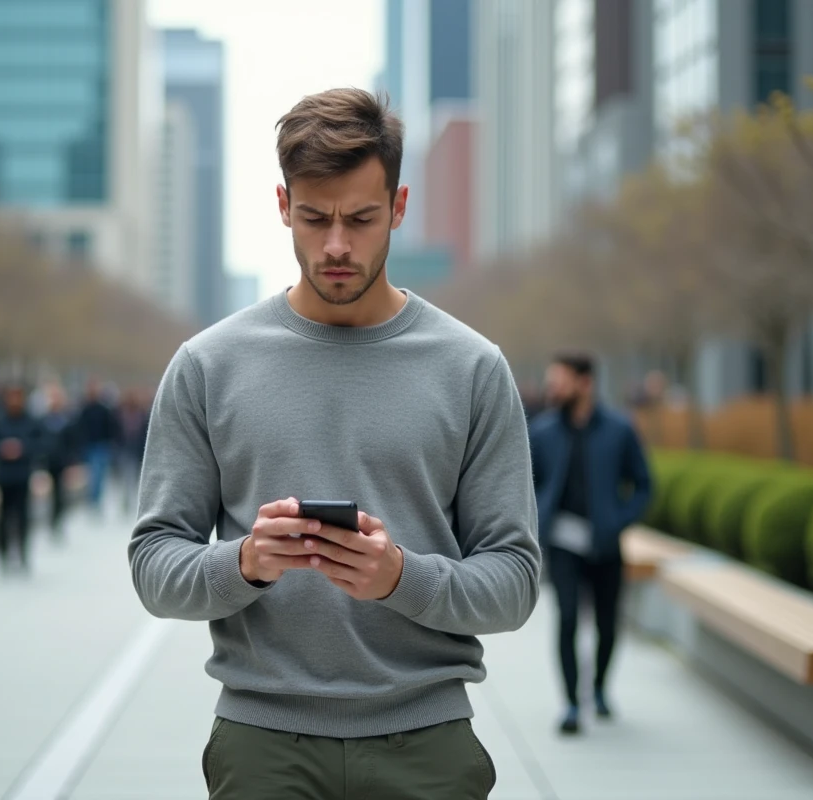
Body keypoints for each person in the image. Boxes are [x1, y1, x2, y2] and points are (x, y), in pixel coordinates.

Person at [129, 88, 541, 799]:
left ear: (400, 207)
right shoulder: (208, 364)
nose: (337, 245)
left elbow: (514, 582)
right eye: (315, 218)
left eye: (361, 218)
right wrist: (248, 562)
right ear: (284, 205)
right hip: (262, 746)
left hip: (428, 746)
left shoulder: (472, 368)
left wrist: (401, 577)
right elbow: (153, 563)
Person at [528, 353, 652, 736]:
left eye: (560, 381)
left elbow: (643, 485)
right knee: (566, 619)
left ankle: (598, 689)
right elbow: (525, 483)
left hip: (605, 544)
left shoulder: (619, 429)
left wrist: (618, 521)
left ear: (585, 383)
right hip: (562, 544)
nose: (553, 389)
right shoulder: (543, 431)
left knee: (607, 624)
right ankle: (570, 704)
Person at [0, 384, 43, 573]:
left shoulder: (30, 421)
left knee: (22, 517)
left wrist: (21, 448)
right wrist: (3, 449)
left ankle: (22, 555)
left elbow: (39, 444)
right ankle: (3, 555)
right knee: (4, 517)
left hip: (22, 476)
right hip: (4, 477)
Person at [40, 384, 80, 540]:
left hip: (62, 462)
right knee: (50, 494)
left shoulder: (67, 420)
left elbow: (73, 443)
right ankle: (52, 521)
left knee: (60, 494)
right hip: (49, 462)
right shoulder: (44, 420)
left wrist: (72, 462)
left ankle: (58, 521)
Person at [77, 378, 119, 514]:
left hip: (101, 445)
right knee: (93, 475)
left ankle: (95, 500)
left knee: (99, 475)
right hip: (89, 445)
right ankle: (93, 500)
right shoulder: (85, 409)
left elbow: (110, 427)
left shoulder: (104, 409)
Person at [116, 388, 149, 516]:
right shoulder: (120, 414)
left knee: (135, 475)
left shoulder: (142, 414)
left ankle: (133, 498)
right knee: (125, 475)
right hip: (124, 448)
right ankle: (126, 500)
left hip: (137, 448)